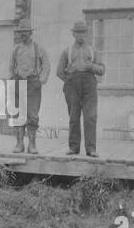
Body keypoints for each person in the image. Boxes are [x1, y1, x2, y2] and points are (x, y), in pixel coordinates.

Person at [56, 20, 105, 158]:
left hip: (89, 84)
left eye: (83, 32)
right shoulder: (67, 51)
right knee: (74, 117)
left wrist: (92, 67)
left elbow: (102, 69)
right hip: (72, 86)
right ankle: (73, 148)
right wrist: (69, 79)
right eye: (78, 33)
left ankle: (91, 149)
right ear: (73, 34)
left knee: (90, 117)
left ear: (87, 34)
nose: (81, 35)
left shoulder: (93, 50)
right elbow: (59, 72)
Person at [9, 19, 51, 154]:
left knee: (32, 115)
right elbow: (10, 66)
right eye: (21, 32)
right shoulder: (16, 49)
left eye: (26, 32)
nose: (23, 35)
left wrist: (41, 80)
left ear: (30, 33)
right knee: (18, 114)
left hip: (33, 84)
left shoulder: (38, 48)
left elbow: (46, 66)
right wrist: (11, 79)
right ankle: (19, 143)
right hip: (18, 83)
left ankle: (32, 144)